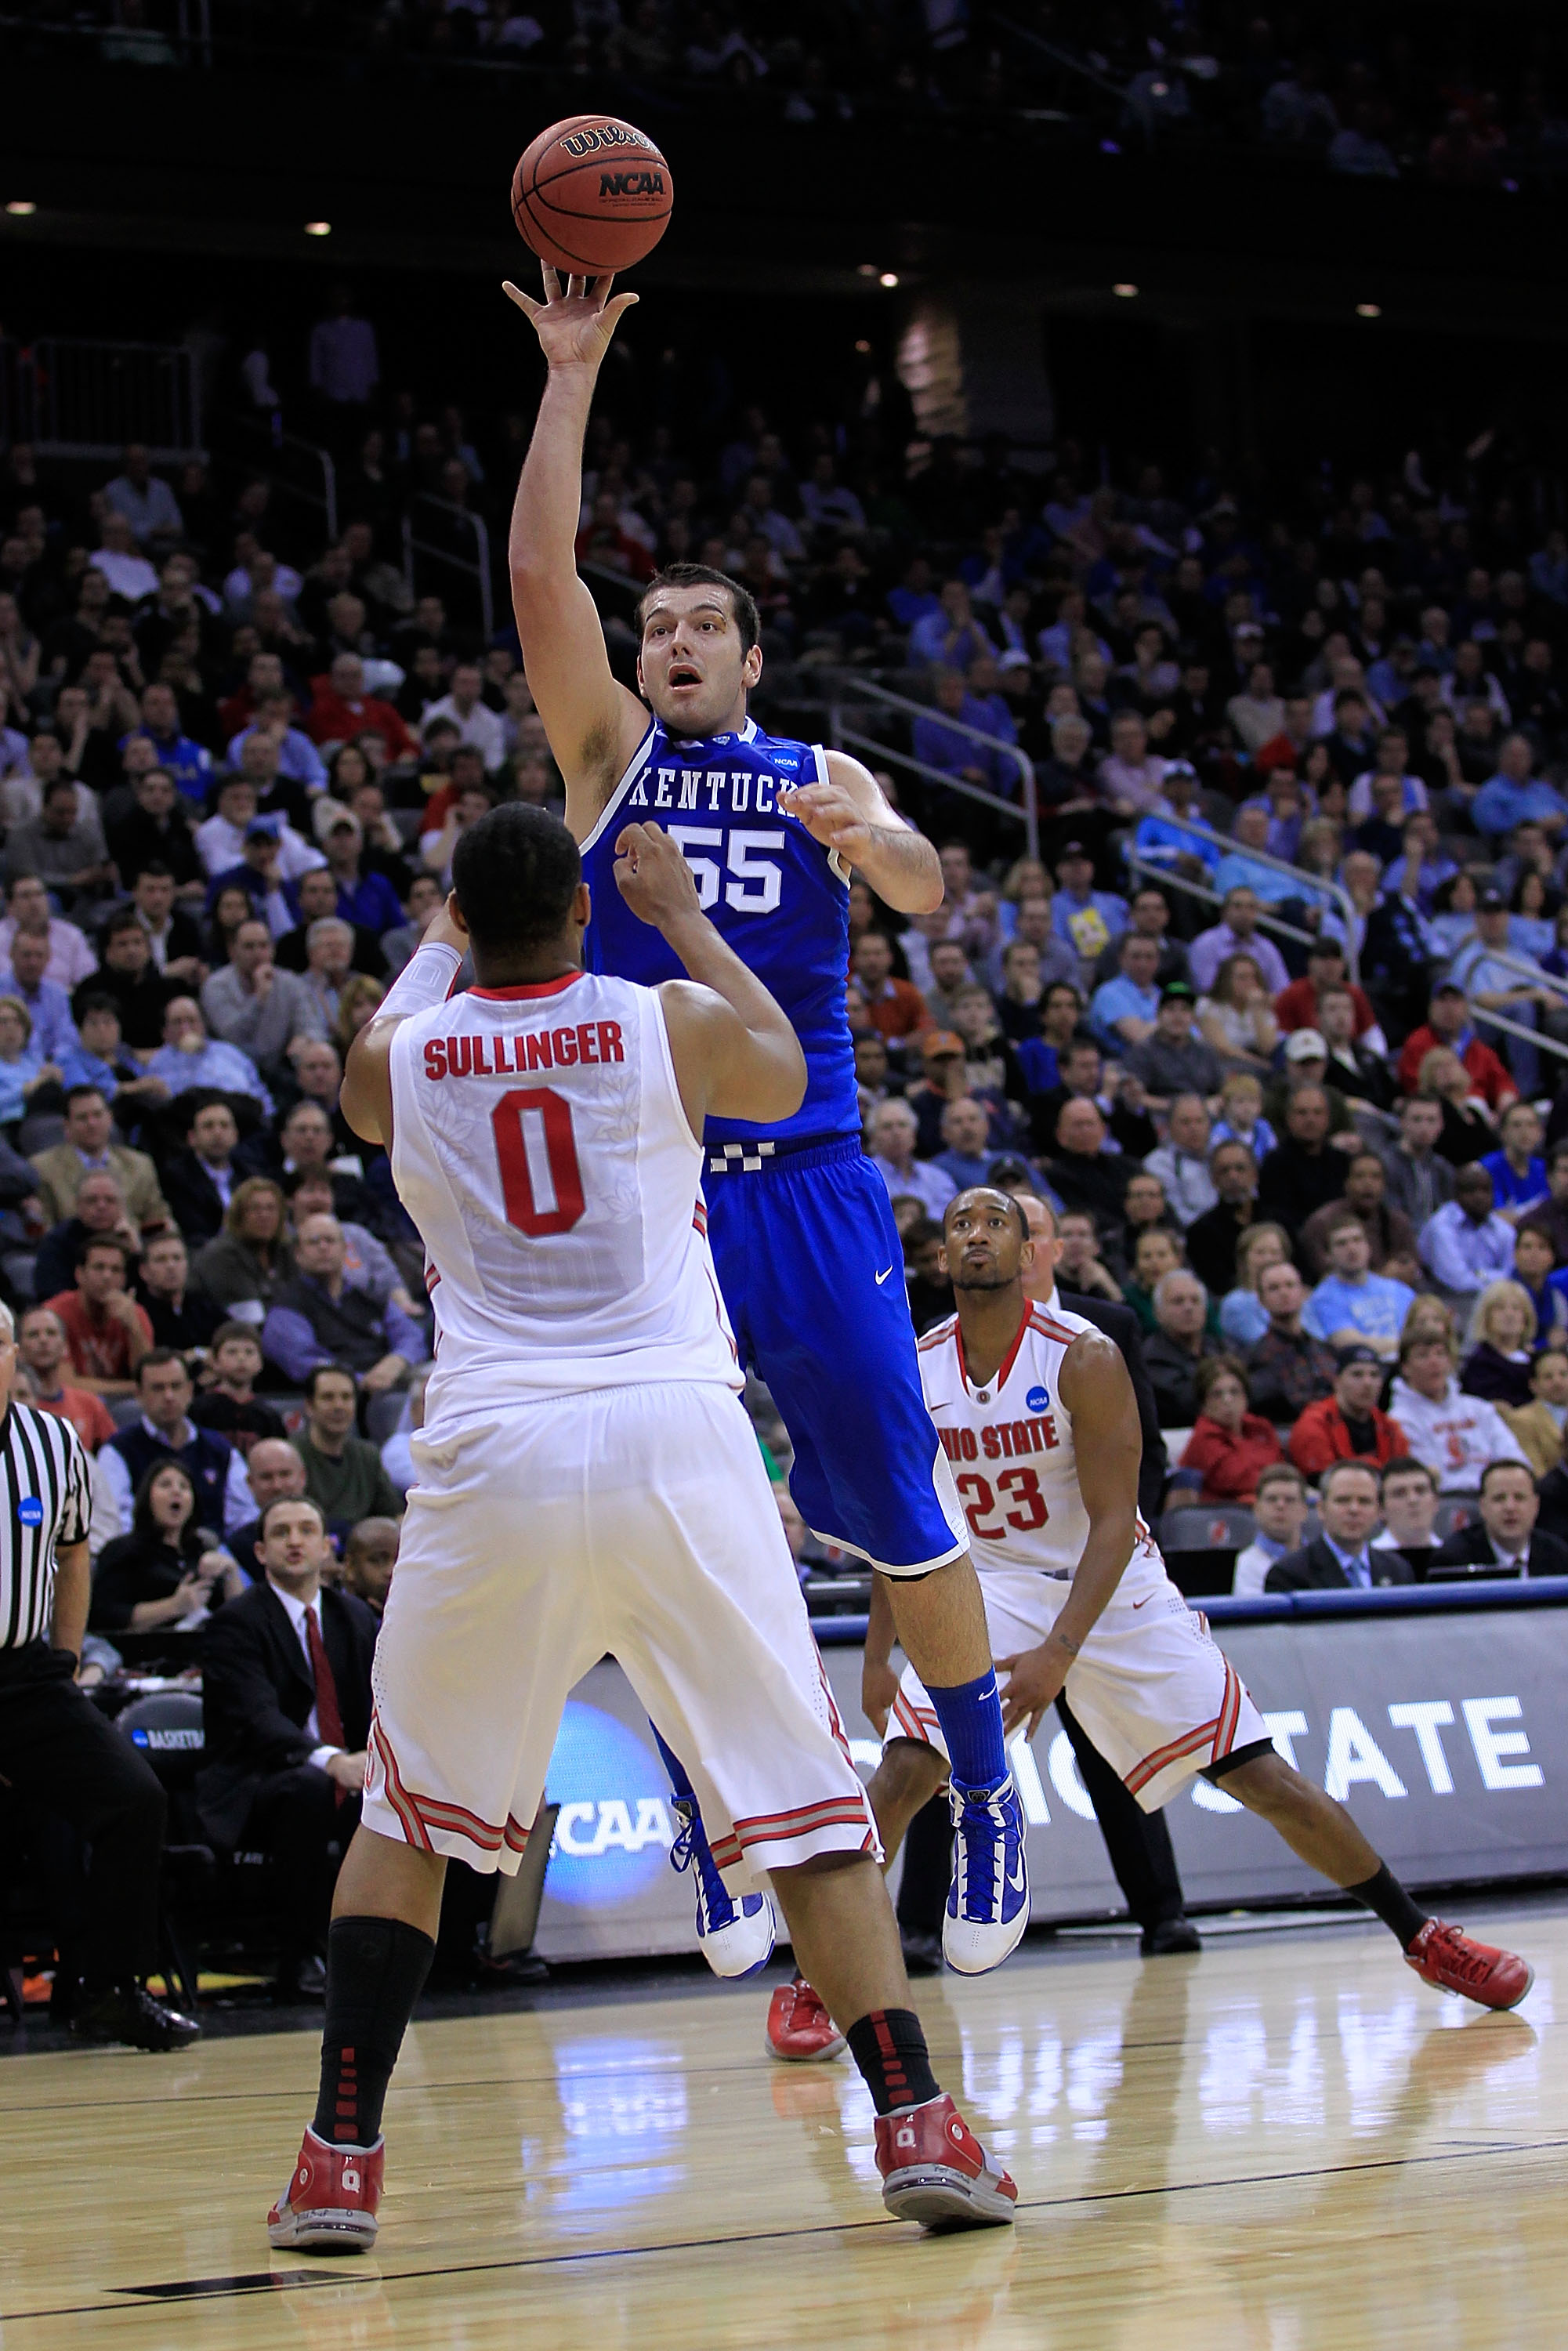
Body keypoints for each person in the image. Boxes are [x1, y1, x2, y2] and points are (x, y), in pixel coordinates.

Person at [263, 792, 1015, 2254]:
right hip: (675, 1435)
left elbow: (363, 1062)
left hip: (496, 1451)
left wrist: (436, 939)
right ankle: (917, 2123)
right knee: (804, 1808)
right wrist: (678, 913)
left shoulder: (406, 1059)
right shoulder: (659, 1017)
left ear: (464, 923)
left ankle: (339, 2159)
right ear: (587, 915)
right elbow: (789, 1065)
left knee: (410, 1815)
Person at [509, 326, 1028, 2007]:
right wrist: (569, 376)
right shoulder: (604, 761)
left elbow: (925, 885)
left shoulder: (818, 770)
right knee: (639, 1511)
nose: (666, 643)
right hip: (644, 1195)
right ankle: (699, 1812)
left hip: (802, 1175)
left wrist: (862, 839)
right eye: (649, 625)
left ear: (748, 652)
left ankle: (986, 1782)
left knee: (895, 1505)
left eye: (695, 627)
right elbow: (536, 569)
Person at [837, 1194, 1530, 2062]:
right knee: (905, 1772)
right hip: (992, 1581)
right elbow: (901, 1523)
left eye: (995, 1225)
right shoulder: (914, 1365)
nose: (976, 1235)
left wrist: (1059, 1653)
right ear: (943, 1257)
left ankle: (1423, 1936)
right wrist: (876, 1660)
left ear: (1029, 1253)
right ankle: (820, 1984)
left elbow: (1111, 1518)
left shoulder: (1084, 1358)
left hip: (1113, 1584)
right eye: (960, 1227)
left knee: (1262, 1776)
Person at [0, 1299, 197, 2050]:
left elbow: (75, 1552)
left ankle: (111, 1991)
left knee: (134, 1800)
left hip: (27, 1675)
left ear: (17, 1355)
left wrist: (68, 1657)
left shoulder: (53, 1443)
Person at [200, 1494, 379, 2002]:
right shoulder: (236, 1622)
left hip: (343, 1770)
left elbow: (379, 1704)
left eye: (306, 1531)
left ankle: (426, 1951)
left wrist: (373, 1760)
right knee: (310, 1786)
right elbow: (258, 1721)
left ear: (327, 1548)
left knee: (402, 1786)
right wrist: (333, 1761)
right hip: (257, 1780)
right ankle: (298, 1958)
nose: (294, 1541)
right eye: (281, 1533)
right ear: (260, 1552)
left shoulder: (354, 1618)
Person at [263, 1214, 426, 1389]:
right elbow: (300, 1359)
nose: (323, 1247)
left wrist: (397, 1361)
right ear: (298, 1254)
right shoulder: (287, 1305)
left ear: (345, 1249)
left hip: (389, 1380)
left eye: (330, 1240)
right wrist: (358, 1380)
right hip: (332, 1392)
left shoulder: (369, 1296)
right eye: (314, 1242)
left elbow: (411, 1335)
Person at [89, 1458, 246, 1635]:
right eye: (165, 1485)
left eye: (184, 1487)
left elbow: (241, 1620)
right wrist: (175, 1606)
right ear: (147, 1497)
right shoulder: (122, 1550)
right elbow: (103, 1617)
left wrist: (231, 1571)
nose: (176, 1492)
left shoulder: (202, 1549)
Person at [1387, 1328, 1530, 1493]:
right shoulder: (1400, 1420)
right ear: (1405, 1367)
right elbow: (1429, 1481)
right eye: (1423, 1355)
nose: (1434, 1362)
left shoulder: (1480, 1409)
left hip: (1495, 1497)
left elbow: (1514, 1458)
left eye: (1440, 1354)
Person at [30, 1083, 172, 1233]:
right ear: (67, 1126)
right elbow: (46, 1231)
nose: (92, 1124)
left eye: (97, 1115)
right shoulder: (42, 1168)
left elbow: (159, 1219)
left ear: (110, 1118)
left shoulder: (140, 1165)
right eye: (82, 1118)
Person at [201, 914, 331, 1078]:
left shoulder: (290, 983)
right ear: (232, 951)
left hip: (281, 1069)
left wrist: (305, 1039)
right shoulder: (216, 985)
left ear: (272, 949)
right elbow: (231, 1036)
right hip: (230, 1069)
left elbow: (313, 1026)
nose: (257, 953)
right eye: (249, 947)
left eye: (263, 946)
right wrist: (259, 999)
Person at [1266, 1459, 1418, 1589]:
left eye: (1364, 1501)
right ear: (1321, 1509)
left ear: (1378, 1511)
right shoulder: (1289, 1574)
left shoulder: (1398, 1569)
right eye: (1343, 1500)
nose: (1354, 1509)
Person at [292, 1364, 406, 1532]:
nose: (339, 1406)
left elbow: (394, 1514)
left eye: (346, 1397)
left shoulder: (368, 1455)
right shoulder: (292, 1455)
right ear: (309, 1406)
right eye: (328, 1397)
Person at [45, 1234, 154, 1397]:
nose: (107, 1277)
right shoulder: (55, 1313)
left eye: (115, 1270)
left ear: (124, 1278)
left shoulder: (135, 1313)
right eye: (99, 1267)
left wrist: (134, 1329)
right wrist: (132, 1388)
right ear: (79, 1274)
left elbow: (151, 1377)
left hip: (124, 1405)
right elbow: (65, 1384)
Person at [1430, 1459, 1568, 1579]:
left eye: (1519, 1498)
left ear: (1536, 1505)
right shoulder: (1452, 1560)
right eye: (1499, 1498)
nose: (1510, 1507)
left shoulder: (1559, 1555)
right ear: (1482, 1506)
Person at [1288, 1346, 1410, 1478]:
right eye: (1357, 1374)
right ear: (1337, 1381)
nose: (1367, 1383)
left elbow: (1403, 1474)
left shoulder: (1389, 1426)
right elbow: (1320, 1480)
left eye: (1374, 1375)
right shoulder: (1315, 1423)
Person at [1299, 1154, 1418, 1284]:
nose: (1368, 1183)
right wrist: (1383, 1277)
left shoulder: (1398, 1223)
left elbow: (1413, 1268)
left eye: (1375, 1176)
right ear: (1347, 1183)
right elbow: (1328, 1275)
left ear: (1384, 1185)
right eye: (1359, 1176)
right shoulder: (1321, 1223)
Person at [1244, 1260, 1339, 1423]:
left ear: (1302, 1292)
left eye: (1290, 1285)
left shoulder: (1326, 1350)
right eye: (1274, 1288)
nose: (1284, 1293)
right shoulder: (1258, 1357)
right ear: (1261, 1299)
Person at [190, 1176, 292, 1326]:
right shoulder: (222, 1255)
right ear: (238, 1216)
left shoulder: (283, 1251)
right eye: (255, 1209)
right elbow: (251, 1319)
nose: (264, 1215)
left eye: (271, 1208)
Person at [1178, 1357, 1284, 1502]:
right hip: (1226, 1515)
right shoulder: (1203, 1439)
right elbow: (1237, 1480)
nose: (1227, 1400)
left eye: (1234, 1392)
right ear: (1204, 1403)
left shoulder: (1261, 1428)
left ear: (1245, 1396)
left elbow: (1281, 1469)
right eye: (1217, 1394)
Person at [16, 1305, 116, 1453]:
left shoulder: (89, 1404)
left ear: (64, 1346)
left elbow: (113, 1454)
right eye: (33, 1334)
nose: (43, 1340)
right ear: (18, 1349)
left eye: (51, 1333)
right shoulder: (15, 1404)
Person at [1418, 1162, 1516, 1300]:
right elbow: (1458, 1282)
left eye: (1485, 1190)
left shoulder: (1501, 1229)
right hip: (1448, 1301)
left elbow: (1514, 1274)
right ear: (1456, 1194)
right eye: (1471, 1190)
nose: (1479, 1197)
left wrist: (1479, 1274)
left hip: (1494, 1301)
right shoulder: (1441, 1227)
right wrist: (1496, 1278)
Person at [223, 1436, 310, 1583]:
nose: (277, 1486)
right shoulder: (236, 1548)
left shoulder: (336, 1534)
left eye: (285, 1474)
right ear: (250, 1483)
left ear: (302, 1477)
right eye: (267, 1477)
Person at [1143, 1267, 1224, 1426]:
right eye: (1178, 1301)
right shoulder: (1151, 1358)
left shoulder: (1221, 1347)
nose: (1188, 1308)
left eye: (1195, 1300)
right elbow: (1187, 1402)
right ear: (1158, 1312)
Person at [1258, 1085, 1347, 1226]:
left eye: (1317, 1112)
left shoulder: (1343, 1162)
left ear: (1328, 1118)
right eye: (1302, 1113)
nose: (1310, 1119)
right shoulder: (1274, 1164)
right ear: (1289, 1118)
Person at [1184, 1141, 1262, 1298]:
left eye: (1240, 1168)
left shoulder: (1278, 1220)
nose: (1233, 1176)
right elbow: (1216, 1285)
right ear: (1213, 1179)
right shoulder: (1200, 1232)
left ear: (1254, 1174)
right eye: (1224, 1171)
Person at [137, 1229, 226, 1356]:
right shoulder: (140, 1314)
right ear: (144, 1271)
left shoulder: (206, 1308)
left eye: (177, 1258)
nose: (171, 1266)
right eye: (161, 1260)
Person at [1378, 1092, 1456, 1231]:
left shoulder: (1443, 1168)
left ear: (1441, 1125)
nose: (1424, 1127)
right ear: (1402, 1122)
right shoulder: (1385, 1164)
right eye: (1417, 1119)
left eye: (1431, 1120)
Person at [1231, 1462, 1309, 1596]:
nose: (1280, 1506)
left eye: (1289, 1500)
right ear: (1256, 1509)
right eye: (1272, 1499)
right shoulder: (1246, 1563)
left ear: (1304, 1510)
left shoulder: (1321, 1558)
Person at [1143, 1095, 1219, 1229]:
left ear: (1209, 1123)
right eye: (1185, 1122)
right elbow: (1176, 1211)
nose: (1194, 1128)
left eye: (1199, 1121)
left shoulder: (1223, 1152)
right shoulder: (1157, 1163)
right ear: (1170, 1126)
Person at [1459, 1278, 1537, 1408]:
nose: (1509, 1314)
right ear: (1487, 1317)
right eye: (1500, 1308)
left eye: (1516, 1308)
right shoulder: (1480, 1364)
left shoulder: (1537, 1360)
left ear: (1526, 1318)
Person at [1502, 1345, 1568, 1480]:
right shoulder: (1521, 1420)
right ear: (1533, 1384)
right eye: (1548, 1377)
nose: (1557, 1382)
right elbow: (1535, 1472)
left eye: (1563, 1374)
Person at [1372, 1458, 1444, 1575]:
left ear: (1436, 1501)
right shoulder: (1367, 1562)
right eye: (1400, 1493)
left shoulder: (1454, 1557)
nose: (1413, 1500)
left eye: (1420, 1490)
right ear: (1381, 1509)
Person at [339, 1516, 399, 1617]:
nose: (391, 1572)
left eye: (399, 1561)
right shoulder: (328, 1614)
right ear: (350, 1566)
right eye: (378, 1560)